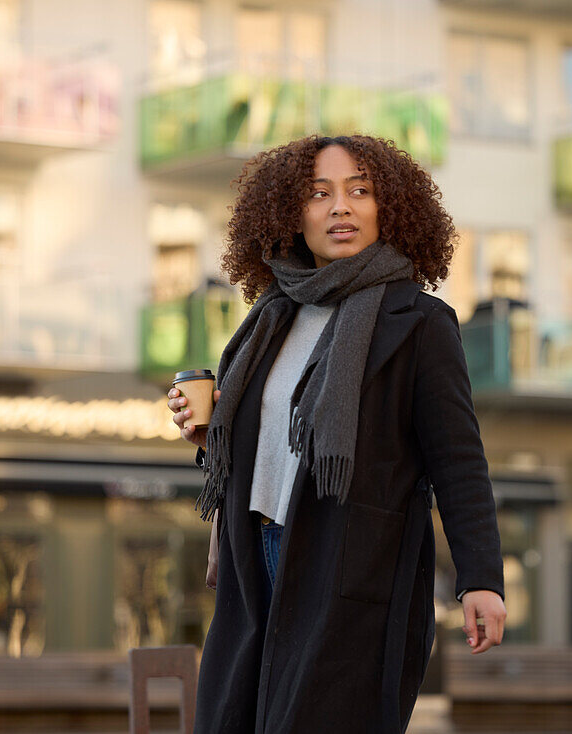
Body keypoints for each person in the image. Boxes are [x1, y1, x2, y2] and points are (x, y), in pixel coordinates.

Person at [166, 134, 507, 733]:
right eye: (319, 194)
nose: (340, 207)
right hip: (258, 554)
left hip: (349, 568)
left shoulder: (421, 323)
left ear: (390, 208)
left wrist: (480, 579)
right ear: (292, 214)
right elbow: (270, 441)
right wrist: (210, 433)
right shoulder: (272, 315)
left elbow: (458, 461)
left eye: (359, 191)